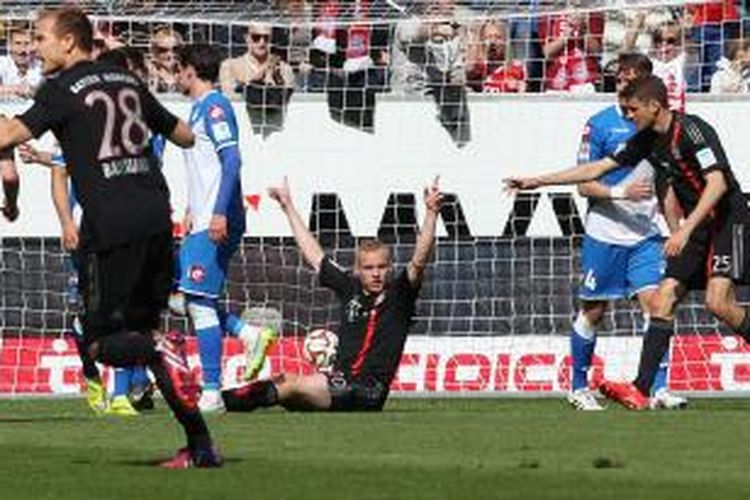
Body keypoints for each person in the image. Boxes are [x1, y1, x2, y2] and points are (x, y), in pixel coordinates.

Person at [0, 8, 220, 466]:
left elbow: (9, 134)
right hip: (156, 216)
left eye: (41, 38)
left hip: (111, 224)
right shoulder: (127, 81)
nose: (36, 47)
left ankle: (161, 348)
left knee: (100, 342)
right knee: (144, 333)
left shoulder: (61, 89)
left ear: (69, 42)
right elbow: (183, 135)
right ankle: (201, 446)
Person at [505, 75, 750, 410]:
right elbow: (599, 167)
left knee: (718, 303)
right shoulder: (646, 140)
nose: (629, 116)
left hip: (726, 220)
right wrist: (537, 180)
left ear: (654, 105)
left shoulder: (693, 130)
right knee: (663, 301)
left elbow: (718, 183)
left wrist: (683, 228)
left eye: (633, 109)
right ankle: (640, 389)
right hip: (696, 227)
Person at [221, 176, 443, 412]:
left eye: (381, 267)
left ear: (389, 268)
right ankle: (228, 401)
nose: (376, 274)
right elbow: (315, 255)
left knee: (291, 382)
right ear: (358, 270)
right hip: (341, 383)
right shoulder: (350, 288)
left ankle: (220, 402)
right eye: (369, 268)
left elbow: (419, 260)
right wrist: (288, 207)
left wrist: (431, 214)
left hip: (368, 390)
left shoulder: (400, 294)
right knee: (284, 387)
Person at [566, 53, 686, 411]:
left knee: (658, 305)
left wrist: (675, 229)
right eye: (619, 78)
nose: (622, 84)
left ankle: (657, 387)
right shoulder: (599, 124)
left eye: (630, 79)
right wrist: (621, 192)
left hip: (645, 235)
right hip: (605, 233)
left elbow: (665, 187)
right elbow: (584, 184)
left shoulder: (661, 132)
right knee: (594, 310)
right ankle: (578, 386)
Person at [175, 43, 278, 413]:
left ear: (190, 70)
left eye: (178, 69)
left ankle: (212, 392)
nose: (175, 76)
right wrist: (191, 206)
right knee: (185, 297)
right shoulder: (199, 109)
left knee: (199, 304)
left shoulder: (216, 106)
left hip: (216, 219)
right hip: (200, 217)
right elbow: (205, 168)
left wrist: (219, 212)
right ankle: (248, 334)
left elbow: (231, 160)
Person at [219, 22, 294, 137]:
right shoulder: (230, 66)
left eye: (266, 38)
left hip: (278, 133)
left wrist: (278, 79)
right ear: (247, 38)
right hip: (241, 132)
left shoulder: (284, 69)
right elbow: (228, 96)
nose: (262, 42)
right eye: (256, 37)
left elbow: (291, 98)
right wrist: (258, 76)